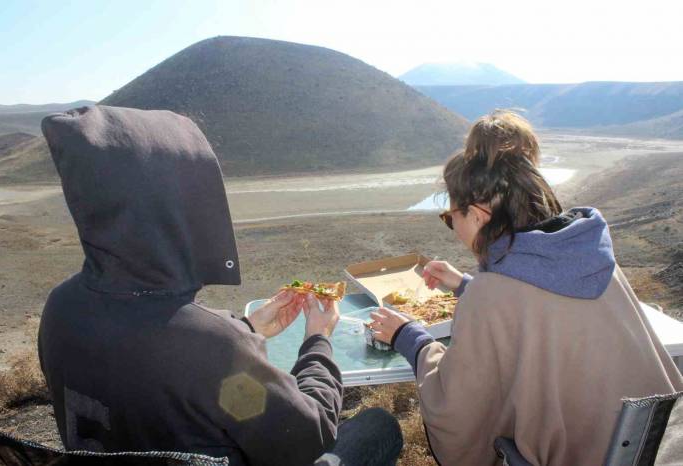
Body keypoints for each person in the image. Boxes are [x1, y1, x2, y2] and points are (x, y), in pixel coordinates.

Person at [38, 105, 401, 466]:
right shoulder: (212, 349)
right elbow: (309, 438)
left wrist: (246, 329)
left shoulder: (60, 309)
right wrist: (317, 340)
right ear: (176, 209)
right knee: (378, 427)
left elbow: (155, 365)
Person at [369, 110, 683, 465]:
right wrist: (465, 285)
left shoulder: (494, 293)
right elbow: (544, 308)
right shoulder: (589, 256)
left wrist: (409, 336)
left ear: (478, 215)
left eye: (450, 217)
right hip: (661, 447)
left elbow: (458, 407)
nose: (453, 228)